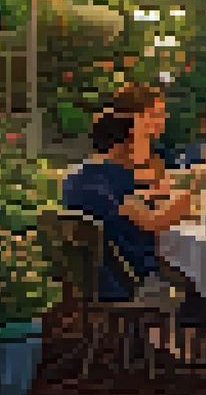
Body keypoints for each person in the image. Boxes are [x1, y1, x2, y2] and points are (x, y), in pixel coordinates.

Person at [61, 111, 193, 303]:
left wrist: (148, 194)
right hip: (128, 277)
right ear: (122, 144)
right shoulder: (117, 177)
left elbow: (118, 205)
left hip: (91, 275)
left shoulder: (76, 176)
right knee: (201, 272)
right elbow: (153, 222)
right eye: (139, 138)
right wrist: (188, 195)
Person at [112, 83, 169, 187]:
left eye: (162, 114)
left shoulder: (156, 162)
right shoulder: (114, 165)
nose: (160, 121)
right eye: (153, 115)